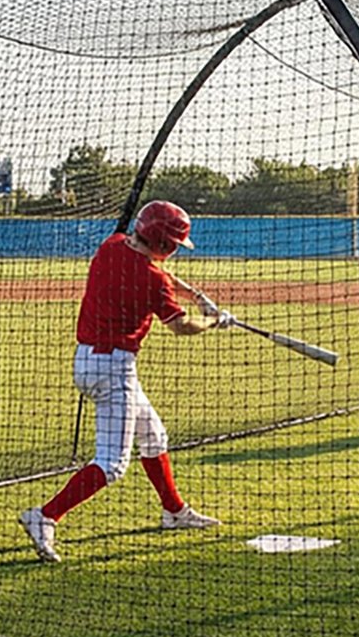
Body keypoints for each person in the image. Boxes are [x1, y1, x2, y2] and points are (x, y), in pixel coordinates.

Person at [19, 200, 233, 563]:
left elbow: (158, 273)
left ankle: (174, 511)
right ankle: (45, 516)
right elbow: (181, 326)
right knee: (112, 464)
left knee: (153, 436)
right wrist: (214, 320)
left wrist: (196, 295)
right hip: (114, 370)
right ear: (164, 244)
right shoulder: (152, 280)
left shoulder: (112, 244)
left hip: (89, 361)